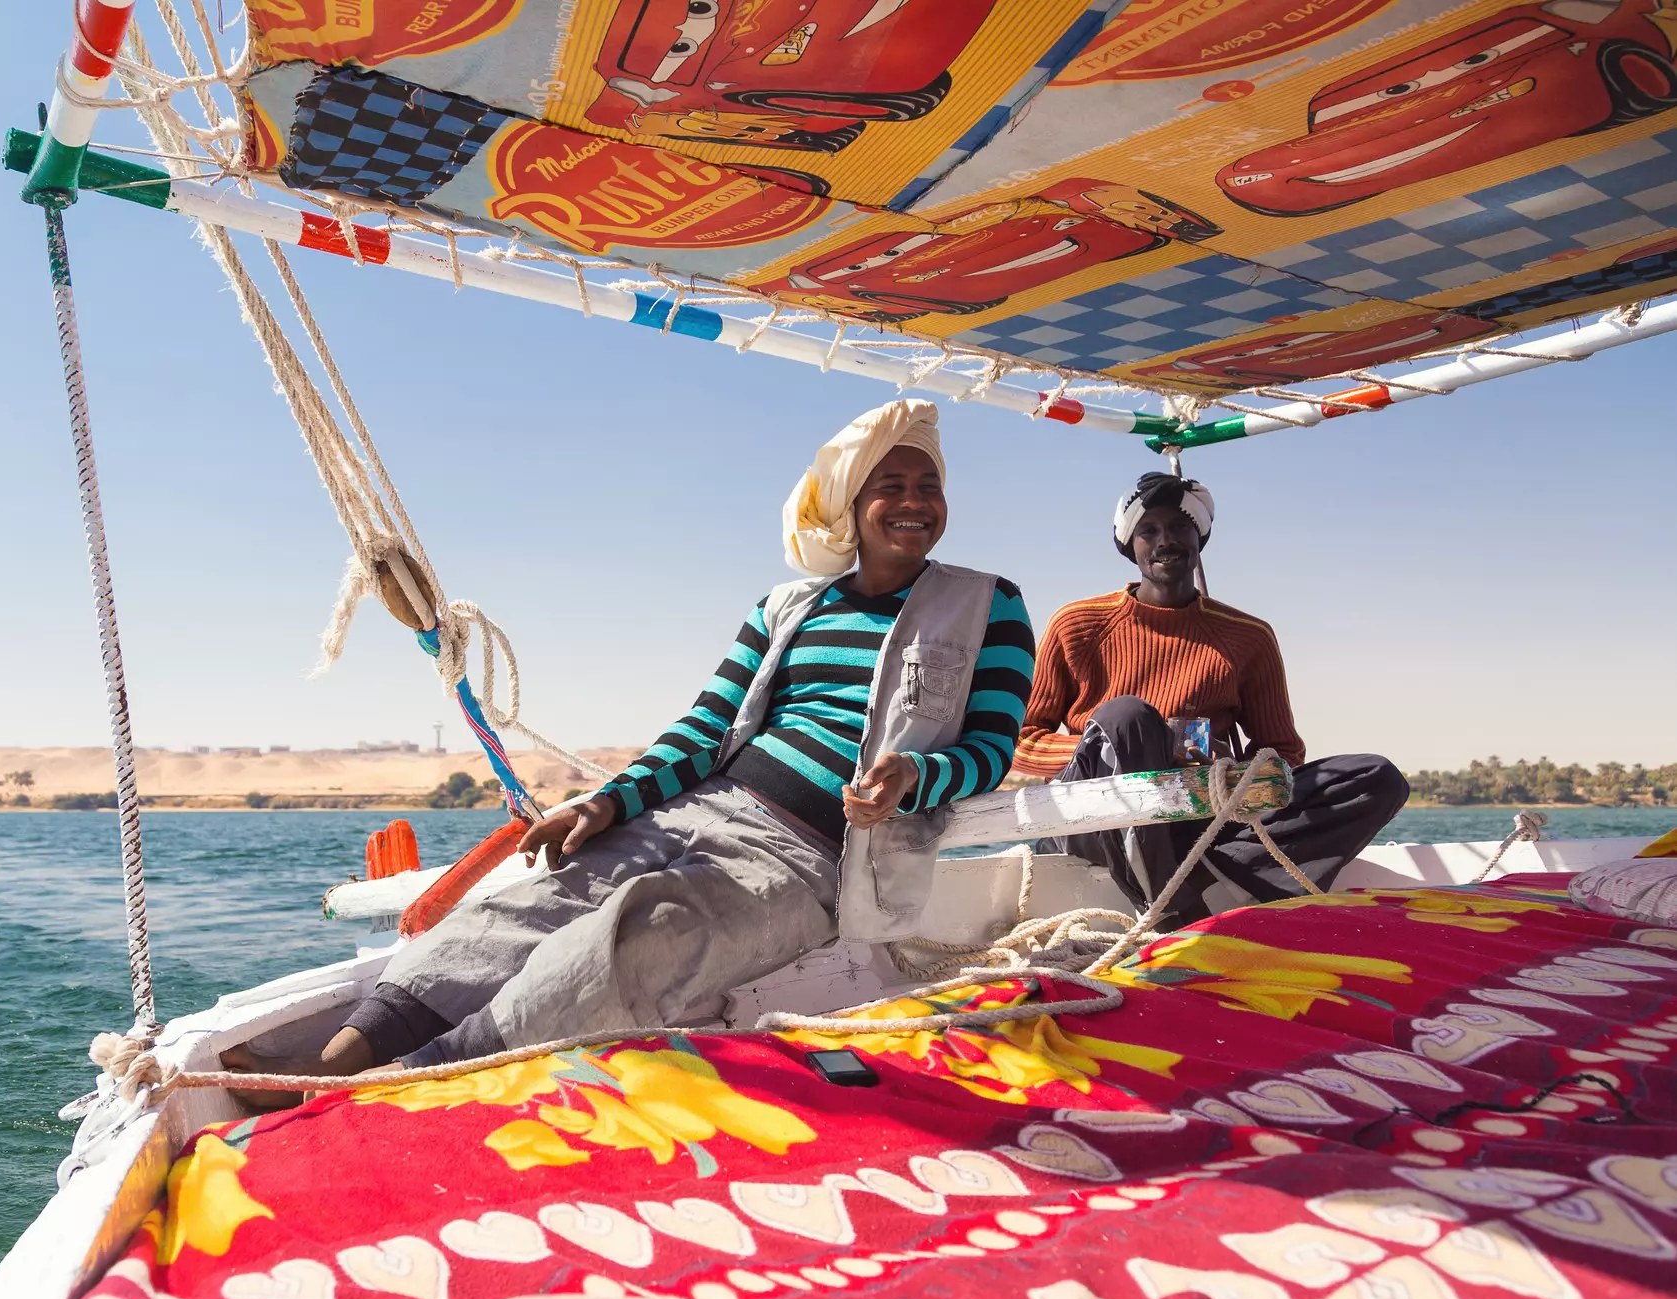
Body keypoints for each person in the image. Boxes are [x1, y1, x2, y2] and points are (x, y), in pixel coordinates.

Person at [316, 399, 1036, 1074]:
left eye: (929, 486)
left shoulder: (988, 604)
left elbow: (990, 750)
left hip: (811, 855)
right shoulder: (786, 607)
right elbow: (705, 726)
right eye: (891, 486)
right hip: (695, 806)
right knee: (519, 914)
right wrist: (608, 802)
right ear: (850, 501)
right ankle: (330, 1065)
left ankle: (419, 1075)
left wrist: (913, 777)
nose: (915, 502)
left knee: (643, 942)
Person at [1014, 471, 1406, 926]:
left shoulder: (1248, 636)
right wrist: (1138, 745)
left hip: (1200, 815)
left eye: (1179, 527)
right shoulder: (1077, 624)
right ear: (1129, 545)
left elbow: (1283, 752)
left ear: (1199, 536)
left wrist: (1220, 761)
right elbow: (1022, 740)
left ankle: (1220, 874)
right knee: (1127, 716)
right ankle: (1172, 909)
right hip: (1097, 817)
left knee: (1375, 778)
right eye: (1148, 530)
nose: (1165, 541)